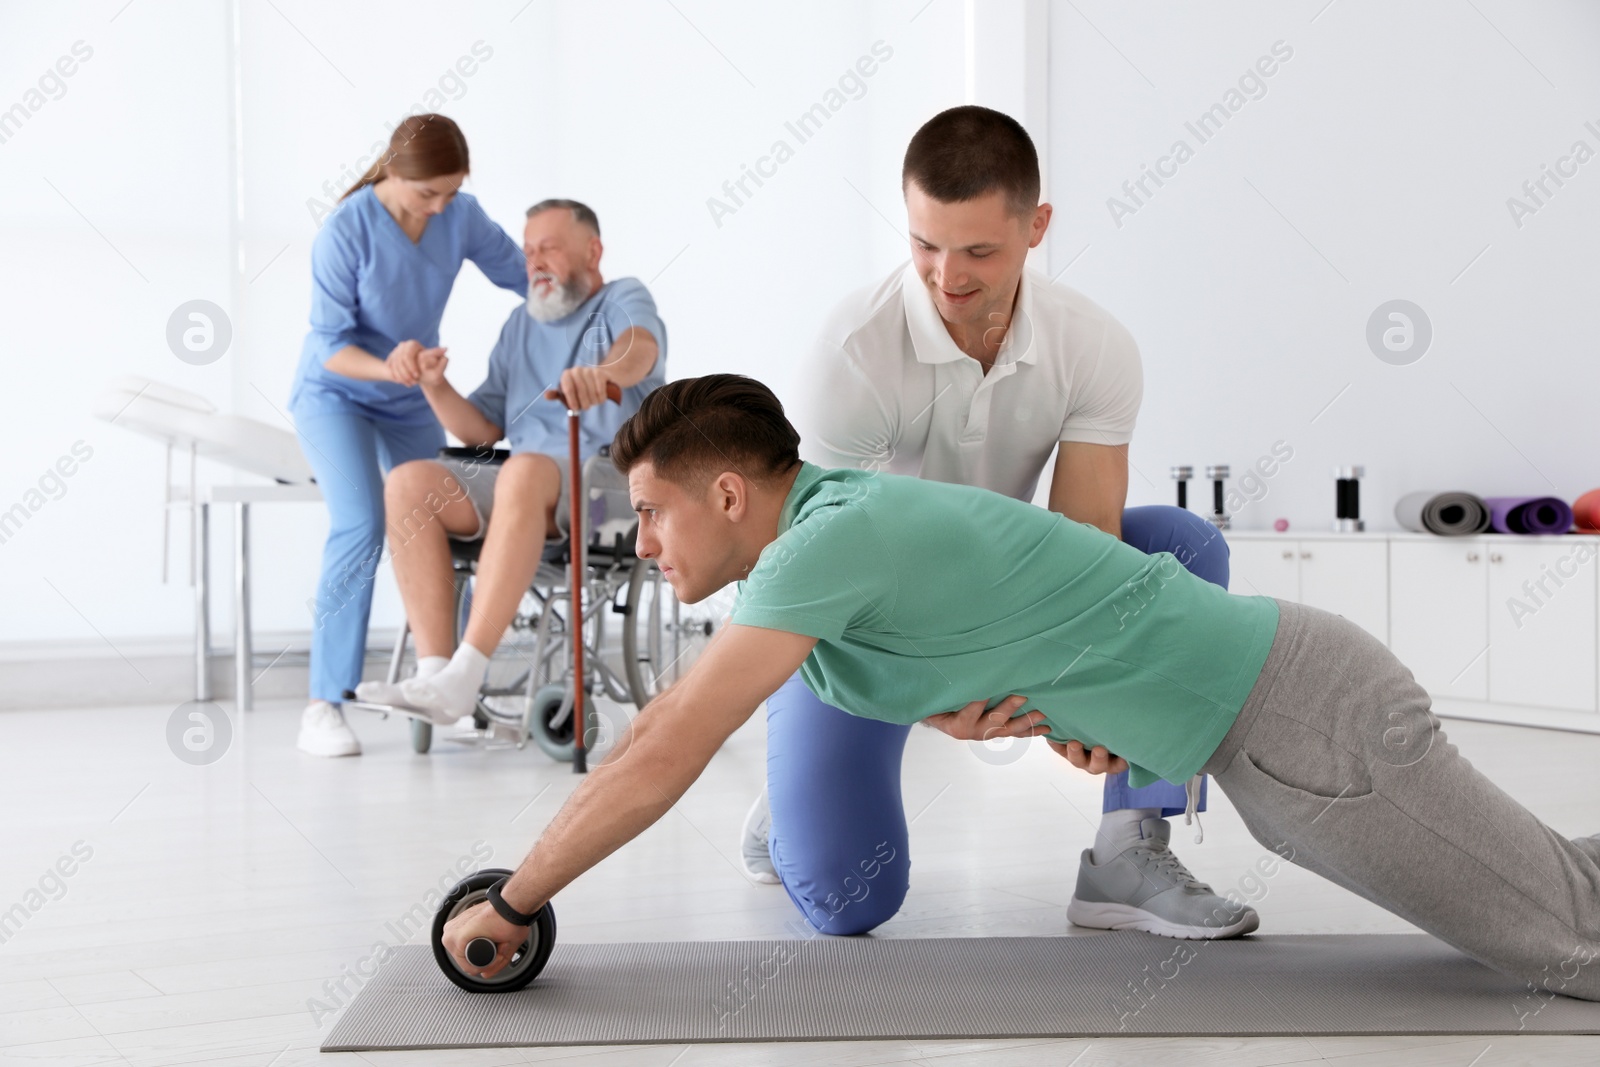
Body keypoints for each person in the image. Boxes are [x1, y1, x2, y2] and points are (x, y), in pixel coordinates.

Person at [441, 374, 1600, 1005]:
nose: (639, 539)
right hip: (1277, 742)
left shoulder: (821, 547)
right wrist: (1051, 711)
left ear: (733, 494)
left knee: (1567, 943)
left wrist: (520, 895)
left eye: (650, 508)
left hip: (1304, 719)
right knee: (1562, 886)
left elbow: (665, 746)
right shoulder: (840, 526)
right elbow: (994, 641)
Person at [740, 104, 1247, 940]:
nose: (947, 276)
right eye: (925, 244)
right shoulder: (850, 356)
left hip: (1007, 590)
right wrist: (943, 700)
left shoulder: (1093, 345)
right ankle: (792, 803)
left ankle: (1128, 847)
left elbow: (1090, 551)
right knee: (847, 901)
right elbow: (834, 575)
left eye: (979, 250)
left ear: (1036, 225)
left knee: (1182, 547)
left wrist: (1091, 709)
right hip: (849, 622)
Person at [354, 199, 665, 724]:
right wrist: (434, 384)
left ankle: (467, 672)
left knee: (521, 471)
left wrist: (604, 373)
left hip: (602, 488)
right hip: (525, 486)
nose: (534, 261)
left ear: (592, 251)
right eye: (528, 252)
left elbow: (641, 349)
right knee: (408, 481)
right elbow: (482, 428)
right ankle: (436, 674)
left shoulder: (622, 297)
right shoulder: (521, 323)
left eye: (549, 248)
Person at [289, 114, 528, 757]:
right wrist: (389, 364)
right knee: (361, 523)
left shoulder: (459, 214)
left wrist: (596, 307)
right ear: (394, 172)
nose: (441, 205)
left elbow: (527, 276)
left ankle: (448, 690)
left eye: (451, 192)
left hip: (408, 394)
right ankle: (324, 703)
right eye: (429, 194)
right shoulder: (346, 230)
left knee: (443, 519)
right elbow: (331, 346)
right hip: (336, 393)